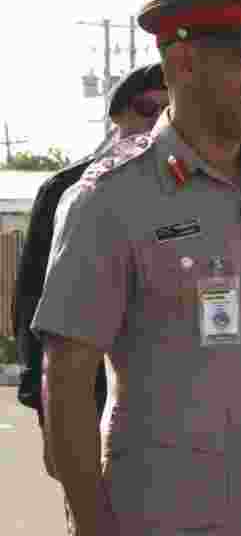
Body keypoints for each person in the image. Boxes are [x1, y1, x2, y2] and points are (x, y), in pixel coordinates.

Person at [31, 0, 241, 536]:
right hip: (163, 518)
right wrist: (91, 524)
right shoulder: (109, 200)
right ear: (182, 63)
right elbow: (66, 382)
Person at [13, 64, 167, 508]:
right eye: (147, 109)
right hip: (86, 393)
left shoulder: (190, 187)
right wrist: (43, 410)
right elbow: (32, 305)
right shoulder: (70, 188)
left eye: (168, 111)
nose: (157, 122)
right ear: (118, 117)